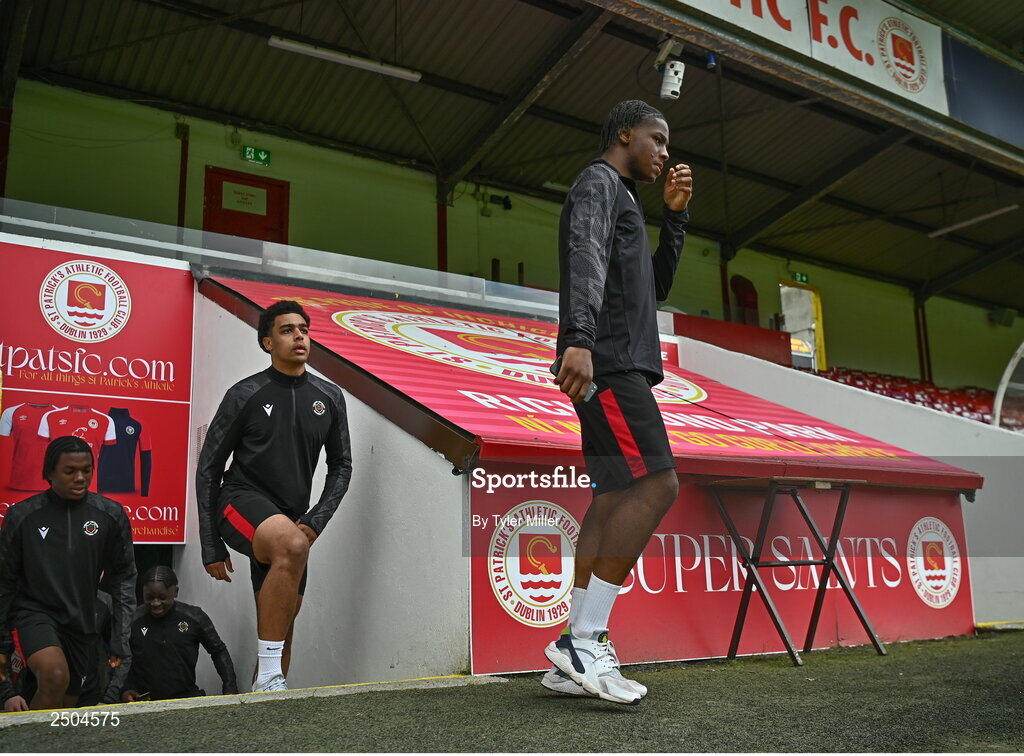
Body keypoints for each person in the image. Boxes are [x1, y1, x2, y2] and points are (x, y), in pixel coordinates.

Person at [543, 100, 693, 705]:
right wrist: (578, 339)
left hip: (613, 357)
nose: (663, 152)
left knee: (611, 496)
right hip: (608, 359)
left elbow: (652, 289)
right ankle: (587, 636)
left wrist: (675, 220)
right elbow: (584, 255)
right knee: (659, 485)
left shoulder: (627, 197)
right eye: (656, 139)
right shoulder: (598, 182)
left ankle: (569, 653)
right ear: (625, 134)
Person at [196, 299, 352, 692]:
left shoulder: (330, 397)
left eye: (303, 328)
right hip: (239, 500)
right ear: (267, 342)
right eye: (287, 330)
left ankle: (264, 696)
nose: (299, 335)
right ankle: (268, 675)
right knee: (291, 545)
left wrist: (317, 519)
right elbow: (209, 467)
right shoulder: (244, 393)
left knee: (283, 619)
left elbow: (342, 465)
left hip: (292, 518)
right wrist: (210, 545)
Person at [0, 436, 136, 710]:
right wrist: (2, 641)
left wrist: (120, 639)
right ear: (49, 472)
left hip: (82, 622)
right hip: (35, 614)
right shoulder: (22, 516)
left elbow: (123, 579)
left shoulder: (110, 514)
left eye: (86, 470)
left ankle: (34, 740)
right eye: (70, 471)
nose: (80, 478)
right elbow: (4, 582)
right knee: (54, 676)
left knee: (65, 705)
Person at [120, 566, 238, 702]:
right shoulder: (132, 621)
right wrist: (124, 691)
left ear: (175, 592)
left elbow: (218, 651)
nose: (155, 603)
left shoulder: (195, 617)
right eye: (149, 598)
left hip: (185, 699)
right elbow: (118, 659)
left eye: (162, 598)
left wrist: (230, 689)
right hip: (144, 701)